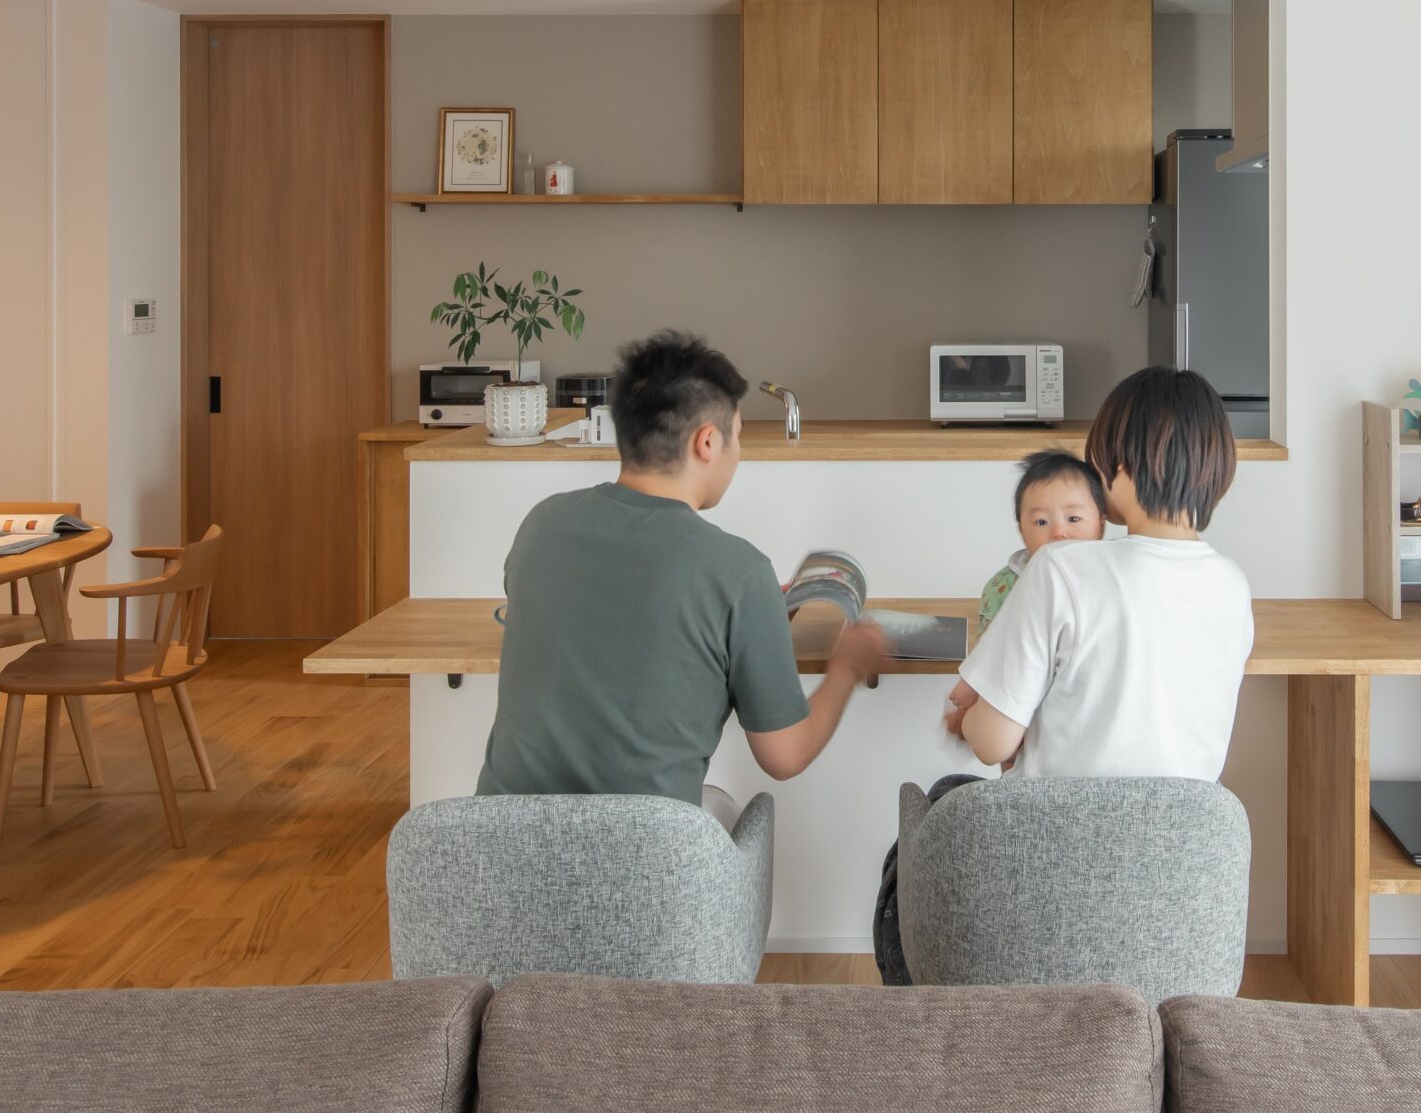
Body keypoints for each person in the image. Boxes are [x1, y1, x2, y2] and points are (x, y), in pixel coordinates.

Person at [873, 366, 1253, 983]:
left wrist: (968, 716)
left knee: (922, 834)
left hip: (1048, 879)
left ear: (1121, 466)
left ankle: (943, 1023)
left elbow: (993, 743)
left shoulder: (1063, 569)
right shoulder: (1233, 587)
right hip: (1172, 907)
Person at [477, 330, 889, 825]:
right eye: (738, 436)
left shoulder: (541, 523)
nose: (739, 452)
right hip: (647, 864)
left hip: (494, 850)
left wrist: (749, 621)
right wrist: (845, 667)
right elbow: (786, 754)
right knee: (726, 812)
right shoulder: (739, 571)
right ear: (707, 442)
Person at [972, 448, 1108, 627]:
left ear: (1101, 524)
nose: (1059, 532)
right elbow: (991, 640)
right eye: (1041, 522)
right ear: (1022, 530)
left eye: (1073, 519)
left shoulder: (1113, 578)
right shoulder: (1008, 586)